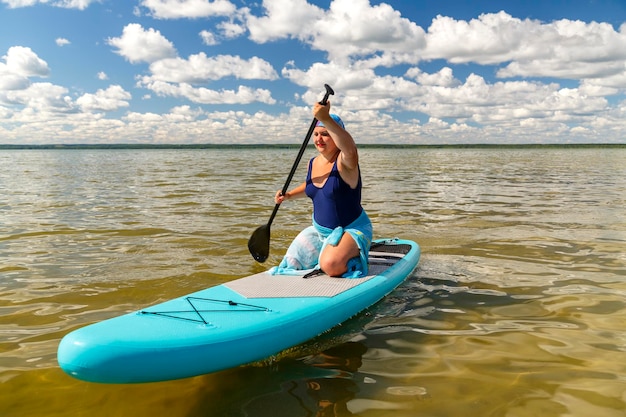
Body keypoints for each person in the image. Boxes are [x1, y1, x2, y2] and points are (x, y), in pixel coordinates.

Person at [271, 101, 372, 278]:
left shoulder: (345, 161)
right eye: (316, 134)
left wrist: (325, 118)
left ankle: (353, 255)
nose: (318, 139)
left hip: (352, 228)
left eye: (325, 134)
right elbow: (312, 187)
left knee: (330, 265)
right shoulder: (313, 162)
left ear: (336, 135)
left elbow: (350, 148)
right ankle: (330, 251)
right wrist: (288, 195)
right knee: (291, 263)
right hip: (321, 232)